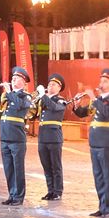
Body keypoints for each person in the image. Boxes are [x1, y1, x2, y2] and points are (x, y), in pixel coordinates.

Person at [71, 68, 109, 218]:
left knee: (108, 175)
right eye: (101, 81)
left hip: (107, 143)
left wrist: (94, 97)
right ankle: (102, 206)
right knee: (98, 176)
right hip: (95, 142)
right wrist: (76, 105)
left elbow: (108, 113)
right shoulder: (98, 101)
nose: (101, 84)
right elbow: (83, 112)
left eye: (105, 81)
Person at [0, 67, 35, 205]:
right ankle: (12, 194)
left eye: (17, 78)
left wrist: (9, 91)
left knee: (18, 169)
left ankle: (19, 197)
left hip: (17, 138)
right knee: (8, 169)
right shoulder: (8, 95)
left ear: (24, 81)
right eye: (13, 77)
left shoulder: (26, 96)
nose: (13, 79)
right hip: (5, 137)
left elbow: (18, 106)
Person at [37, 73, 67, 201]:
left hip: (54, 137)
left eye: (53, 84)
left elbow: (53, 107)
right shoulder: (44, 100)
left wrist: (43, 95)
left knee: (56, 166)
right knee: (46, 165)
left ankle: (58, 191)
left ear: (59, 88)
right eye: (49, 84)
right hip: (43, 136)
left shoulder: (60, 100)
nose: (50, 86)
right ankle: (50, 190)